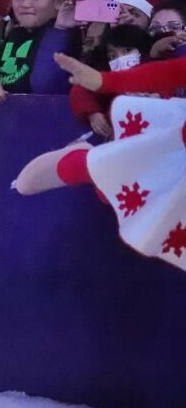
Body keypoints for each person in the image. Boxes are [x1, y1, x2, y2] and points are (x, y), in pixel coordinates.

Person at [13, 53, 186, 272]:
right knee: (121, 180)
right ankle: (86, 161)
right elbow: (173, 72)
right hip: (172, 150)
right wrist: (103, 81)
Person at [69, 24, 153, 139]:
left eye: (127, 51)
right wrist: (92, 113)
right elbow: (80, 88)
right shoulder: (113, 81)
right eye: (112, 56)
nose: (120, 58)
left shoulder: (157, 75)